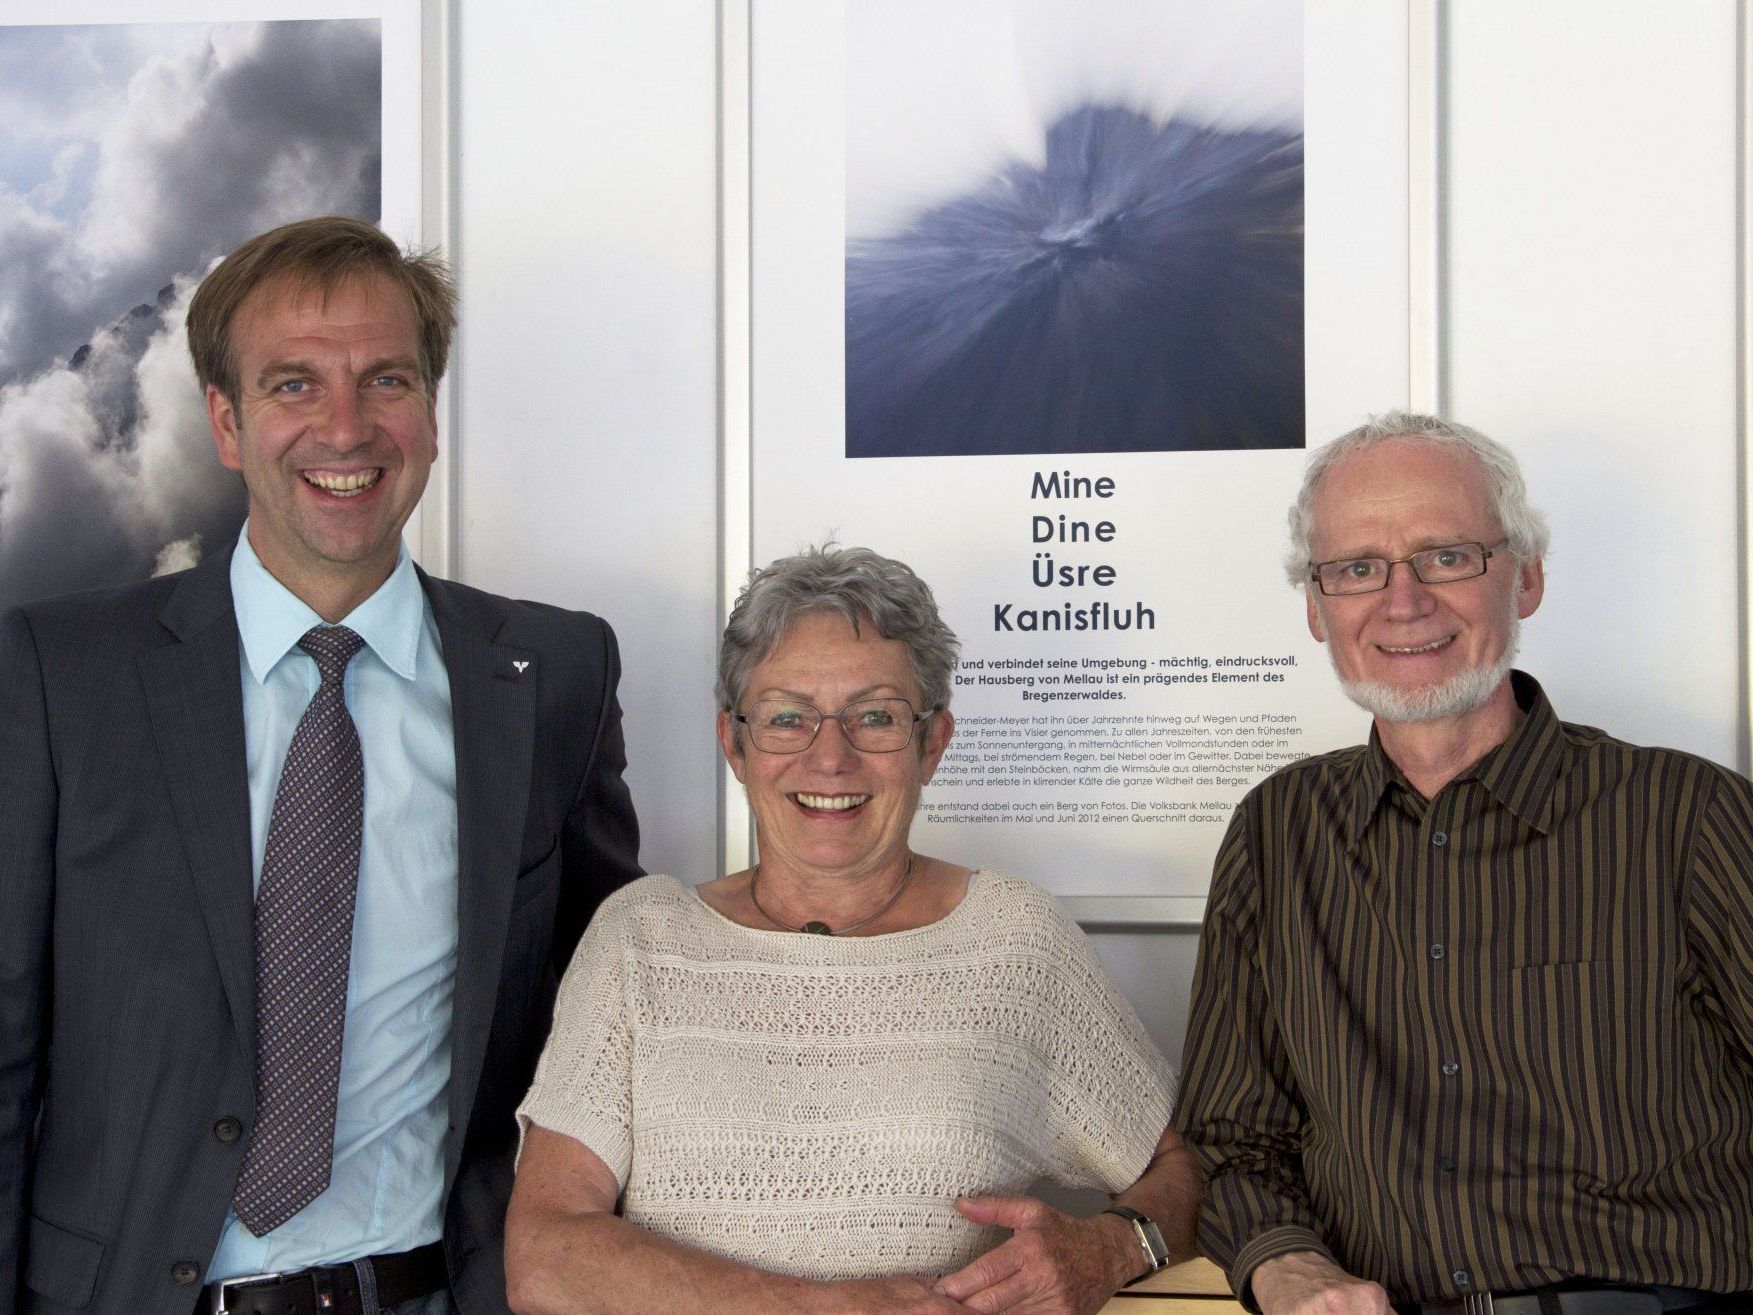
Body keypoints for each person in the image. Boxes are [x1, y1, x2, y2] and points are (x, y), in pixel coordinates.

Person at [0, 217, 642, 1315]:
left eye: (385, 379)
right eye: (294, 385)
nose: (346, 428)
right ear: (225, 422)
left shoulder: (552, 676)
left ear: (430, 414)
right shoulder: (65, 674)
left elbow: (606, 1030)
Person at [504, 545, 1201, 1315]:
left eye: (873, 715)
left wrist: (1108, 1247)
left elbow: (1186, 1166)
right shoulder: (640, 938)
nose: (828, 756)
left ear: (930, 742)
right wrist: (820, 1306)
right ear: (734, 743)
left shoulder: (1013, 939)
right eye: (786, 717)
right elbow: (544, 1255)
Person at [1175, 411, 1753, 1315]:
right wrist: (1288, 1267)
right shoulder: (1274, 832)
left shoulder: (1688, 816)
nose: (1402, 601)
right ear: (1316, 607)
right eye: (1357, 567)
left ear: (1523, 578)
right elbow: (1232, 1137)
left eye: (1447, 556)